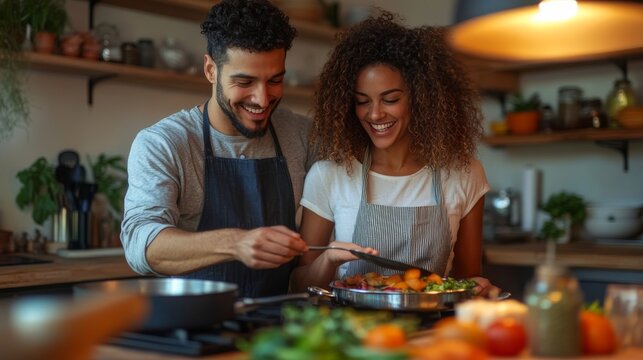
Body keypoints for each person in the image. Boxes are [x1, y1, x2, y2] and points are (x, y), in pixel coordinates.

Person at [291, 11, 498, 296]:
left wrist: (479, 289)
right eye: (362, 102)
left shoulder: (464, 173)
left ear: (422, 97)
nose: (375, 114)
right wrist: (328, 258)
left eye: (390, 99)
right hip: (352, 334)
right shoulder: (329, 175)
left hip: (433, 334)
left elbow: (468, 278)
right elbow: (301, 285)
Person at [121, 0, 317, 297]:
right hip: (197, 326)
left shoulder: (301, 134)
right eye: (244, 82)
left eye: (275, 80)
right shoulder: (165, 143)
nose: (262, 100)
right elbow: (141, 244)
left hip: (280, 326)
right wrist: (235, 243)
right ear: (211, 70)